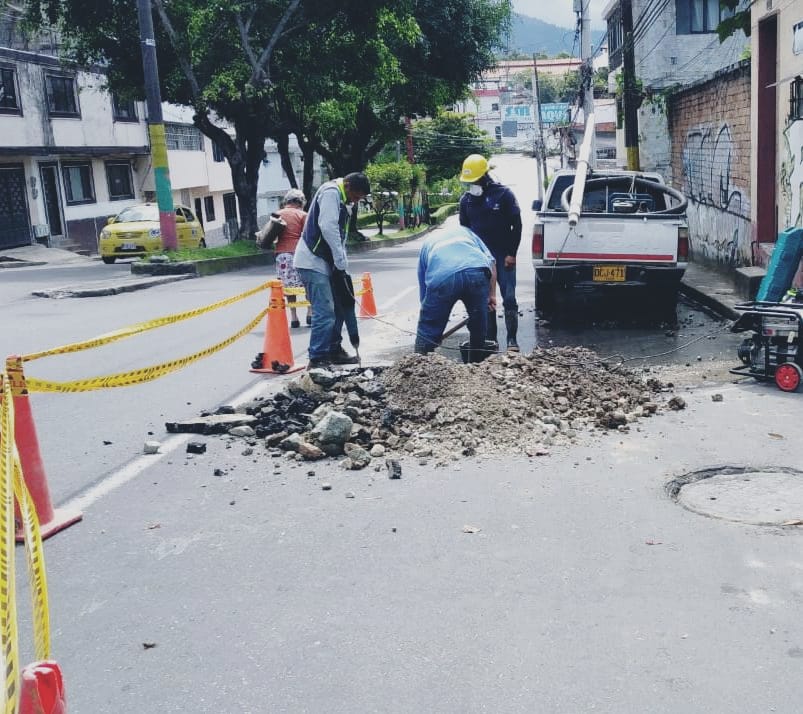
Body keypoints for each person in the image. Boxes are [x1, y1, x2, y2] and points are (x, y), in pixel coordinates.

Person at [294, 172, 371, 369]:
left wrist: (340, 260)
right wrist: (339, 258)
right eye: (355, 196)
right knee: (325, 311)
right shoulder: (331, 193)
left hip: (327, 263)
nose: (356, 201)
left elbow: (340, 234)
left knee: (339, 308)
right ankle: (317, 358)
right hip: (312, 261)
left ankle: (334, 350)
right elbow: (327, 226)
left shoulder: (343, 200)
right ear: (347, 186)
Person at [458, 153, 523, 351]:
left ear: (484, 177)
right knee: (486, 301)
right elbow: (465, 231)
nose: (472, 184)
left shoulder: (504, 195)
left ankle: (512, 340)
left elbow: (517, 225)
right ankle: (491, 341)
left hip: (503, 257)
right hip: (480, 260)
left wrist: (512, 253)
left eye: (474, 180)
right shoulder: (466, 201)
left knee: (509, 298)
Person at [414, 225, 497, 359]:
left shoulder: (428, 243)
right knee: (478, 328)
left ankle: (417, 365)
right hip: (476, 271)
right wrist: (491, 295)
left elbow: (424, 288)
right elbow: (492, 262)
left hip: (443, 276)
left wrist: (431, 320)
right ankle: (475, 368)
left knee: (427, 331)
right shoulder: (468, 233)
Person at [260, 188, 309, 328]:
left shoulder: (277, 215)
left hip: (282, 255)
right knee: (306, 283)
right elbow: (307, 235)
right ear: (300, 201)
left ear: (286, 201)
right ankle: (310, 313)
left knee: (288, 286)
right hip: (300, 253)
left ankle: (293, 317)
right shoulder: (303, 215)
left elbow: (270, 234)